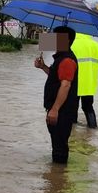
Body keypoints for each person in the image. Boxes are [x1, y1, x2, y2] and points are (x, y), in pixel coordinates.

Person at [34, 26, 78, 164]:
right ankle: (56, 179)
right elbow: (57, 78)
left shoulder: (67, 61)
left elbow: (65, 85)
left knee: (59, 148)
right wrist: (43, 67)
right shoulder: (60, 58)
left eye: (55, 37)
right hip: (58, 110)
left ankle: (58, 181)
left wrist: (55, 109)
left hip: (62, 111)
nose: (51, 40)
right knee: (57, 144)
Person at [71, 33, 98, 128]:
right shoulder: (95, 44)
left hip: (73, 83)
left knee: (72, 107)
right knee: (88, 107)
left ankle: (72, 130)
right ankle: (92, 128)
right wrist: (90, 68)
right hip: (89, 83)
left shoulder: (70, 42)